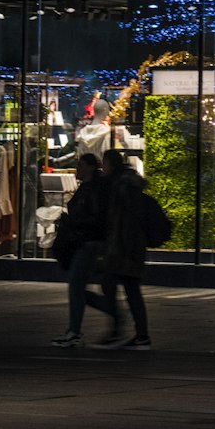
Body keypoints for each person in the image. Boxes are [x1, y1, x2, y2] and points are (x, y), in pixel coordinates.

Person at [92, 148, 151, 350]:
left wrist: (118, 246)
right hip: (130, 244)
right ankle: (137, 334)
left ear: (110, 164)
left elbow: (119, 219)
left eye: (105, 164)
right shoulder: (129, 183)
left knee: (115, 285)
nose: (103, 168)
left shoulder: (119, 185)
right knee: (129, 289)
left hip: (123, 246)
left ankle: (122, 330)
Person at [51, 152, 108, 348]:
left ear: (91, 167)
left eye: (81, 165)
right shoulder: (89, 188)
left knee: (76, 286)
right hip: (85, 242)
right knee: (77, 287)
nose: (78, 169)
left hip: (87, 242)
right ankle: (111, 311)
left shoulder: (92, 190)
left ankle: (76, 331)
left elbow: (92, 218)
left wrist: (74, 223)